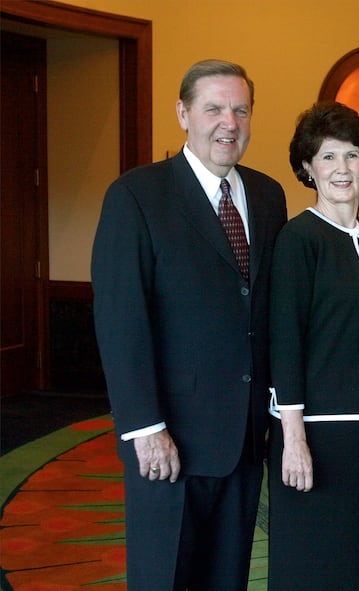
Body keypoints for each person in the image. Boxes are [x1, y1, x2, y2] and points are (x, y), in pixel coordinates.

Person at [91, 59, 287, 590]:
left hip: (245, 441)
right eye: (214, 108)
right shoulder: (137, 196)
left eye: (241, 110)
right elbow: (120, 321)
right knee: (166, 578)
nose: (229, 122)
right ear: (183, 113)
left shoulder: (268, 197)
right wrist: (145, 428)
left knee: (228, 579)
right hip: (169, 441)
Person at [267, 101, 359, 591]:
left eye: (351, 155)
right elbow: (286, 342)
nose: (341, 169)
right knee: (314, 565)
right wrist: (293, 440)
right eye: (327, 157)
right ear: (307, 167)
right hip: (320, 437)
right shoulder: (299, 239)